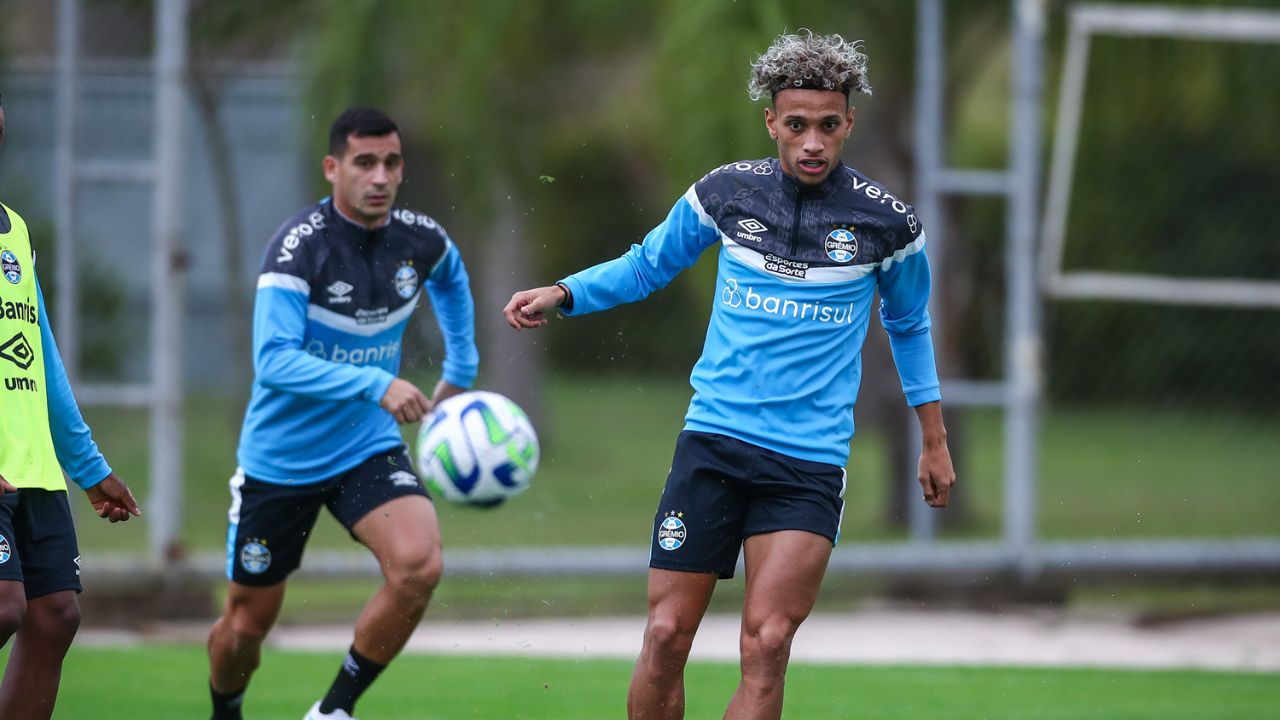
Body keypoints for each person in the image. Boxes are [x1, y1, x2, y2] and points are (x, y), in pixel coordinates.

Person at [504, 32, 956, 720]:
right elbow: (646, 265)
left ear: (848, 125)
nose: (812, 142)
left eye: (827, 126)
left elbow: (910, 325)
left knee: (767, 642)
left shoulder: (886, 226)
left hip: (806, 461)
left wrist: (933, 438)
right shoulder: (725, 195)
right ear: (771, 121)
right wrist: (565, 292)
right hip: (713, 444)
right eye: (797, 125)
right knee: (665, 636)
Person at [206, 106, 479, 720]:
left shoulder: (422, 240)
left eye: (391, 162)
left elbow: (454, 281)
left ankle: (333, 711)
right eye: (364, 163)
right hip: (280, 459)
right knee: (247, 627)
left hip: (365, 447)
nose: (379, 176)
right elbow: (273, 361)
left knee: (418, 566)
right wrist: (375, 383)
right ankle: (226, 711)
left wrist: (459, 373)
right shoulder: (298, 249)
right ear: (333, 169)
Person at [0, 92, 143, 720]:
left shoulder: (14, 229)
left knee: (54, 615)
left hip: (30, 469)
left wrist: (88, 466)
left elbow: (40, 357)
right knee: (3, 605)